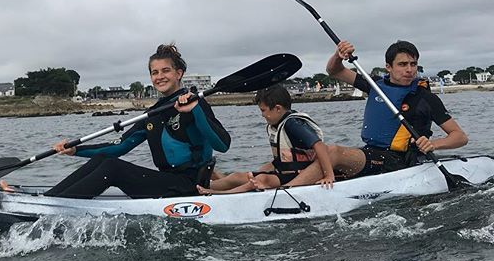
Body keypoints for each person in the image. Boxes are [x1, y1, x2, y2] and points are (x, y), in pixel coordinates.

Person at [21, 44, 231, 199]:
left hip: (189, 187)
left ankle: (50, 205)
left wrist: (195, 111)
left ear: (179, 73)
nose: (159, 77)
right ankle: (49, 200)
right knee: (104, 159)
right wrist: (76, 150)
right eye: (154, 72)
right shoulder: (154, 113)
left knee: (113, 168)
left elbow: (222, 145)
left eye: (165, 70)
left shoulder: (196, 104)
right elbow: (119, 146)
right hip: (167, 183)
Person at [286, 39, 468, 185]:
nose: (409, 70)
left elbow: (460, 136)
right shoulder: (373, 85)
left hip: (400, 161)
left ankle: (286, 192)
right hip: (371, 153)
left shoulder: (426, 98)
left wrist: (433, 144)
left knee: (332, 152)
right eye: (403, 64)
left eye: (413, 64)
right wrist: (338, 55)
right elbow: (334, 70)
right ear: (388, 67)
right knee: (317, 154)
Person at [197, 83, 335, 194]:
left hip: (298, 175)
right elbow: (280, 160)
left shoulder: (293, 124)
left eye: (263, 110)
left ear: (278, 109)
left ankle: (214, 193)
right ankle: (204, 187)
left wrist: (328, 175)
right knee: (237, 176)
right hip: (282, 173)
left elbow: (320, 146)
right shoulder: (276, 124)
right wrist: (260, 170)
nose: (262, 115)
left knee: (261, 179)